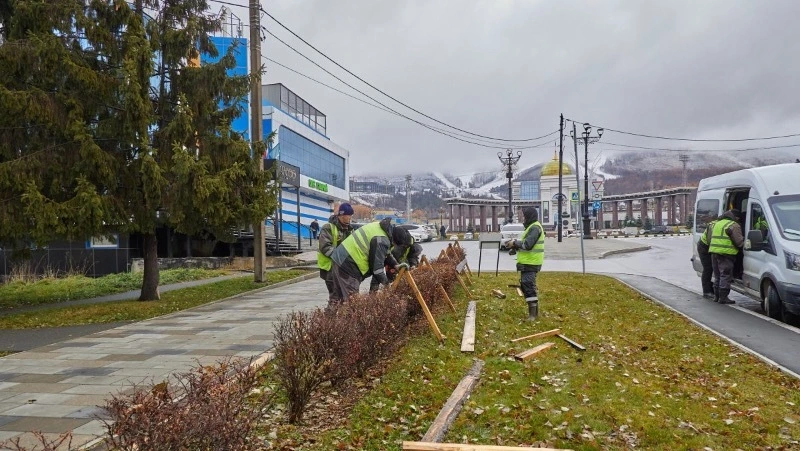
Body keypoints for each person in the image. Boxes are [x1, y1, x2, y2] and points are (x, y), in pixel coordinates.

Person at [329, 218, 409, 305]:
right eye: (394, 244)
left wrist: (395, 265)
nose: (393, 246)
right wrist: (387, 285)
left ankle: (327, 317)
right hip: (348, 265)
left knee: (336, 299)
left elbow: (386, 253)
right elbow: (377, 270)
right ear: (394, 240)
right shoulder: (381, 240)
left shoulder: (382, 228)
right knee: (352, 303)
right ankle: (340, 317)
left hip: (339, 259)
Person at [504, 207, 544, 320]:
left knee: (528, 285)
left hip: (531, 262)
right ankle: (534, 313)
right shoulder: (531, 227)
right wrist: (515, 248)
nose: (523, 218)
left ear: (530, 216)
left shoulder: (535, 228)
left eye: (524, 216)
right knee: (526, 285)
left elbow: (528, 245)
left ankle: (533, 315)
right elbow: (526, 246)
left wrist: (514, 243)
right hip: (528, 262)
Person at [317, 203, 354, 299]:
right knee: (335, 297)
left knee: (344, 296)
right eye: (348, 215)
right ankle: (330, 314)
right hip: (330, 268)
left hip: (344, 269)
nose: (350, 218)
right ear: (341, 215)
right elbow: (325, 247)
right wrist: (342, 257)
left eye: (351, 215)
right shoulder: (328, 227)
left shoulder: (350, 230)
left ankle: (339, 314)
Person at [709, 209, 744, 305]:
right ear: (736, 217)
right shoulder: (733, 225)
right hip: (726, 253)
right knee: (725, 275)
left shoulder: (717, 223)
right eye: (739, 218)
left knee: (717, 275)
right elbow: (739, 242)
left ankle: (716, 296)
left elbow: (709, 238)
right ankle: (723, 298)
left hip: (714, 252)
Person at [697, 216, 717, 299]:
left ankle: (712, 290)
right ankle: (706, 291)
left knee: (713, 268)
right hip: (704, 247)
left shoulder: (719, 223)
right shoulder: (714, 225)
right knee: (708, 269)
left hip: (710, 247)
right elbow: (709, 240)